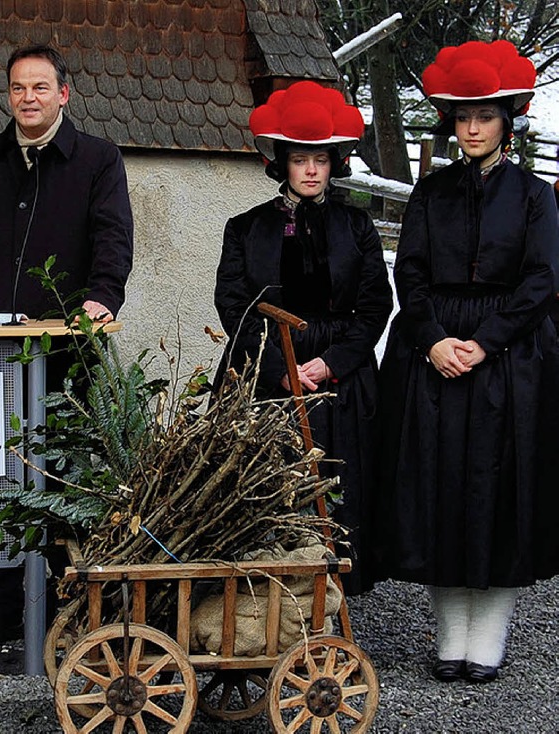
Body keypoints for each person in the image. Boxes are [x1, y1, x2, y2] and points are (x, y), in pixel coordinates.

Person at [0, 45, 133, 646]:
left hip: (66, 348)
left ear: (64, 93)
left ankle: (64, 607)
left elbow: (113, 238)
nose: (29, 97)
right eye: (18, 88)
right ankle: (2, 608)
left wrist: (102, 299)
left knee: (63, 477)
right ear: (8, 95)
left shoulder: (98, 160)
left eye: (41, 87)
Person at [376, 40, 559, 683]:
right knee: (441, 490)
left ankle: (489, 642)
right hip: (435, 360)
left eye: (484, 116)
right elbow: (414, 274)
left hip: (510, 363)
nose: (473, 128)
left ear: (507, 119)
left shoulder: (536, 196)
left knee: (497, 494)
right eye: (462, 117)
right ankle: (449, 640)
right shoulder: (430, 193)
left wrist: (486, 342)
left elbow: (542, 280)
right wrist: (430, 339)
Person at [215, 81, 393, 594]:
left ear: (334, 162)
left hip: (340, 382)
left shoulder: (357, 226)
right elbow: (234, 306)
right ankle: (269, 595)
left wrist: (331, 362)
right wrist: (280, 367)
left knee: (338, 485)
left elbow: (375, 306)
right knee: (271, 485)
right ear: (283, 163)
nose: (311, 169)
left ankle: (334, 599)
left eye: (320, 158)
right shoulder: (245, 228)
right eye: (300, 159)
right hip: (266, 374)